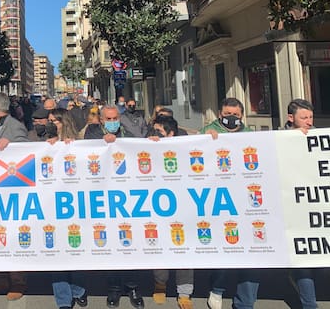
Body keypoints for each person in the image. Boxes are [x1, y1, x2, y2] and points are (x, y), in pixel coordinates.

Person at [83, 104, 143, 308]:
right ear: (101, 120)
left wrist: (153, 141)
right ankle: (114, 289)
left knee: (129, 244)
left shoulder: (128, 133)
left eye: (115, 118)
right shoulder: (92, 132)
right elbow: (86, 149)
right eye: (108, 119)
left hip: (126, 198)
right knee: (111, 246)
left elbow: (142, 145)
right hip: (104, 197)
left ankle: (133, 287)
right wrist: (103, 141)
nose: (112, 122)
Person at [201, 98, 254, 309]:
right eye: (227, 114)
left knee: (251, 251)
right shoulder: (208, 131)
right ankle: (217, 289)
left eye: (235, 114)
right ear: (220, 114)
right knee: (224, 245)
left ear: (242, 115)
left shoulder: (250, 134)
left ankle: (245, 301)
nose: (231, 118)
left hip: (245, 198)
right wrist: (203, 140)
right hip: (219, 198)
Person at [0, 92, 29, 300]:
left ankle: (17, 281)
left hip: (12, 190)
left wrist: (10, 145)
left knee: (11, 235)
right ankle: (0, 279)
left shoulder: (14, 126)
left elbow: (25, 151)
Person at [147, 116, 195, 309]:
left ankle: (184, 292)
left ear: (171, 134)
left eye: (159, 131)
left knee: (184, 250)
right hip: (157, 208)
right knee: (160, 248)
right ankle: (160, 283)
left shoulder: (184, 149)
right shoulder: (148, 148)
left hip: (182, 207)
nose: (155, 134)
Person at [46, 109, 88, 309]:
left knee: (75, 249)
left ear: (64, 122)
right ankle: (63, 298)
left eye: (54, 121)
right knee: (57, 253)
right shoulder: (46, 142)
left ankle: (78, 289)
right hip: (52, 203)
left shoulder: (80, 142)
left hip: (74, 204)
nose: (50, 124)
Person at [282, 99, 317, 309]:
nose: (309, 122)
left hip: (316, 207)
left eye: (311, 117)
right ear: (291, 118)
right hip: (292, 208)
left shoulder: (320, 137)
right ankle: (309, 304)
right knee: (303, 258)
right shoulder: (278, 138)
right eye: (304, 118)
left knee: (319, 259)